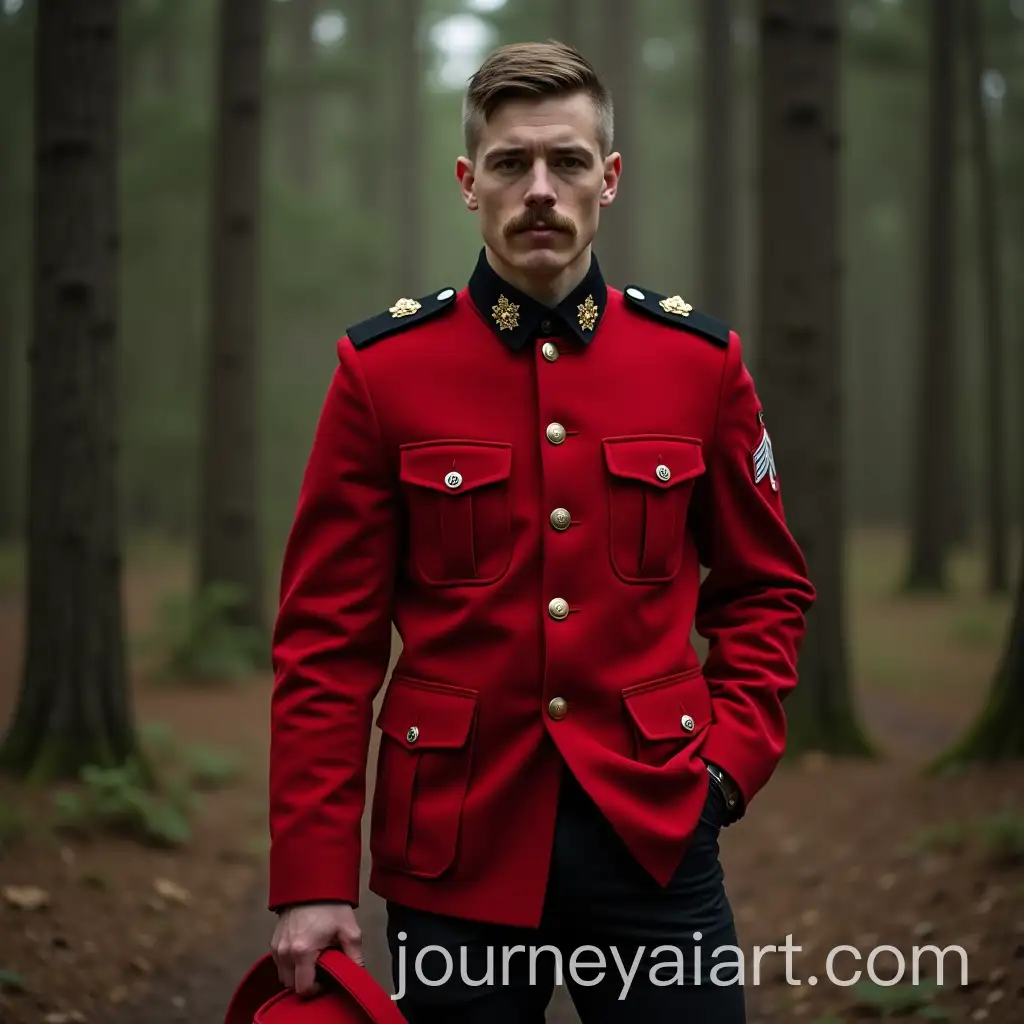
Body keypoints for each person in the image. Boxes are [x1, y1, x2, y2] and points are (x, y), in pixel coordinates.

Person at [266, 39, 815, 1024]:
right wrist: (312, 878)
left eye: (566, 162)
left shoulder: (699, 364)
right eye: (512, 163)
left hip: (655, 837)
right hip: (454, 851)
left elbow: (766, 589)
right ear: (467, 181)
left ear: (608, 179)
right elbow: (325, 644)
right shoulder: (381, 372)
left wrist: (726, 767)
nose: (539, 190)